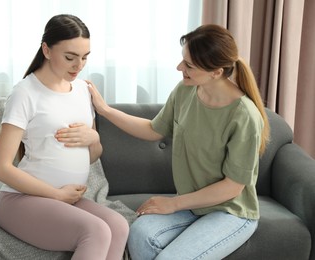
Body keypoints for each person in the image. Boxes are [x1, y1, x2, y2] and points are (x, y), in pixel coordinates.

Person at [87, 24, 270, 260]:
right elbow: (153, 129)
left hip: (230, 212)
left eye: (189, 65)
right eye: (183, 60)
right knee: (139, 234)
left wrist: (173, 204)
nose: (179, 67)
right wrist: (105, 110)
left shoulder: (244, 116)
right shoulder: (186, 92)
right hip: (192, 207)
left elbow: (232, 187)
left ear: (216, 72)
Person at [0, 14, 129, 260]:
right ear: (46, 50)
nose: (79, 65)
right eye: (70, 57)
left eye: (85, 57)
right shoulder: (25, 93)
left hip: (66, 199)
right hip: (22, 200)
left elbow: (91, 157)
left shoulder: (83, 90)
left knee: (118, 226)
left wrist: (94, 139)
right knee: (96, 231)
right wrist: (56, 195)